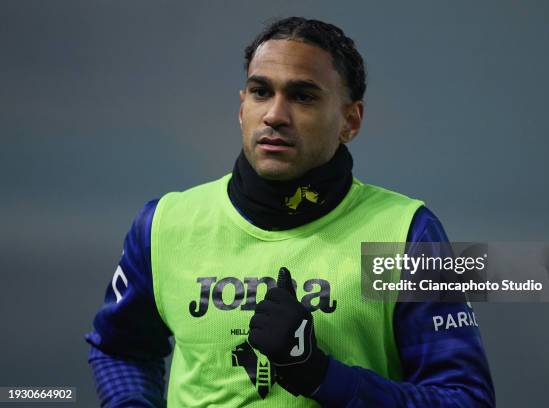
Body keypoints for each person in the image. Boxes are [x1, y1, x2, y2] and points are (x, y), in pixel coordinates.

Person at [85, 17, 495, 407]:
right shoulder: (164, 224)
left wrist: (318, 374)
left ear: (350, 121)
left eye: (303, 96)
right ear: (241, 107)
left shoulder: (407, 233)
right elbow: (117, 349)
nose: (275, 115)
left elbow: (464, 398)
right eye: (261, 92)